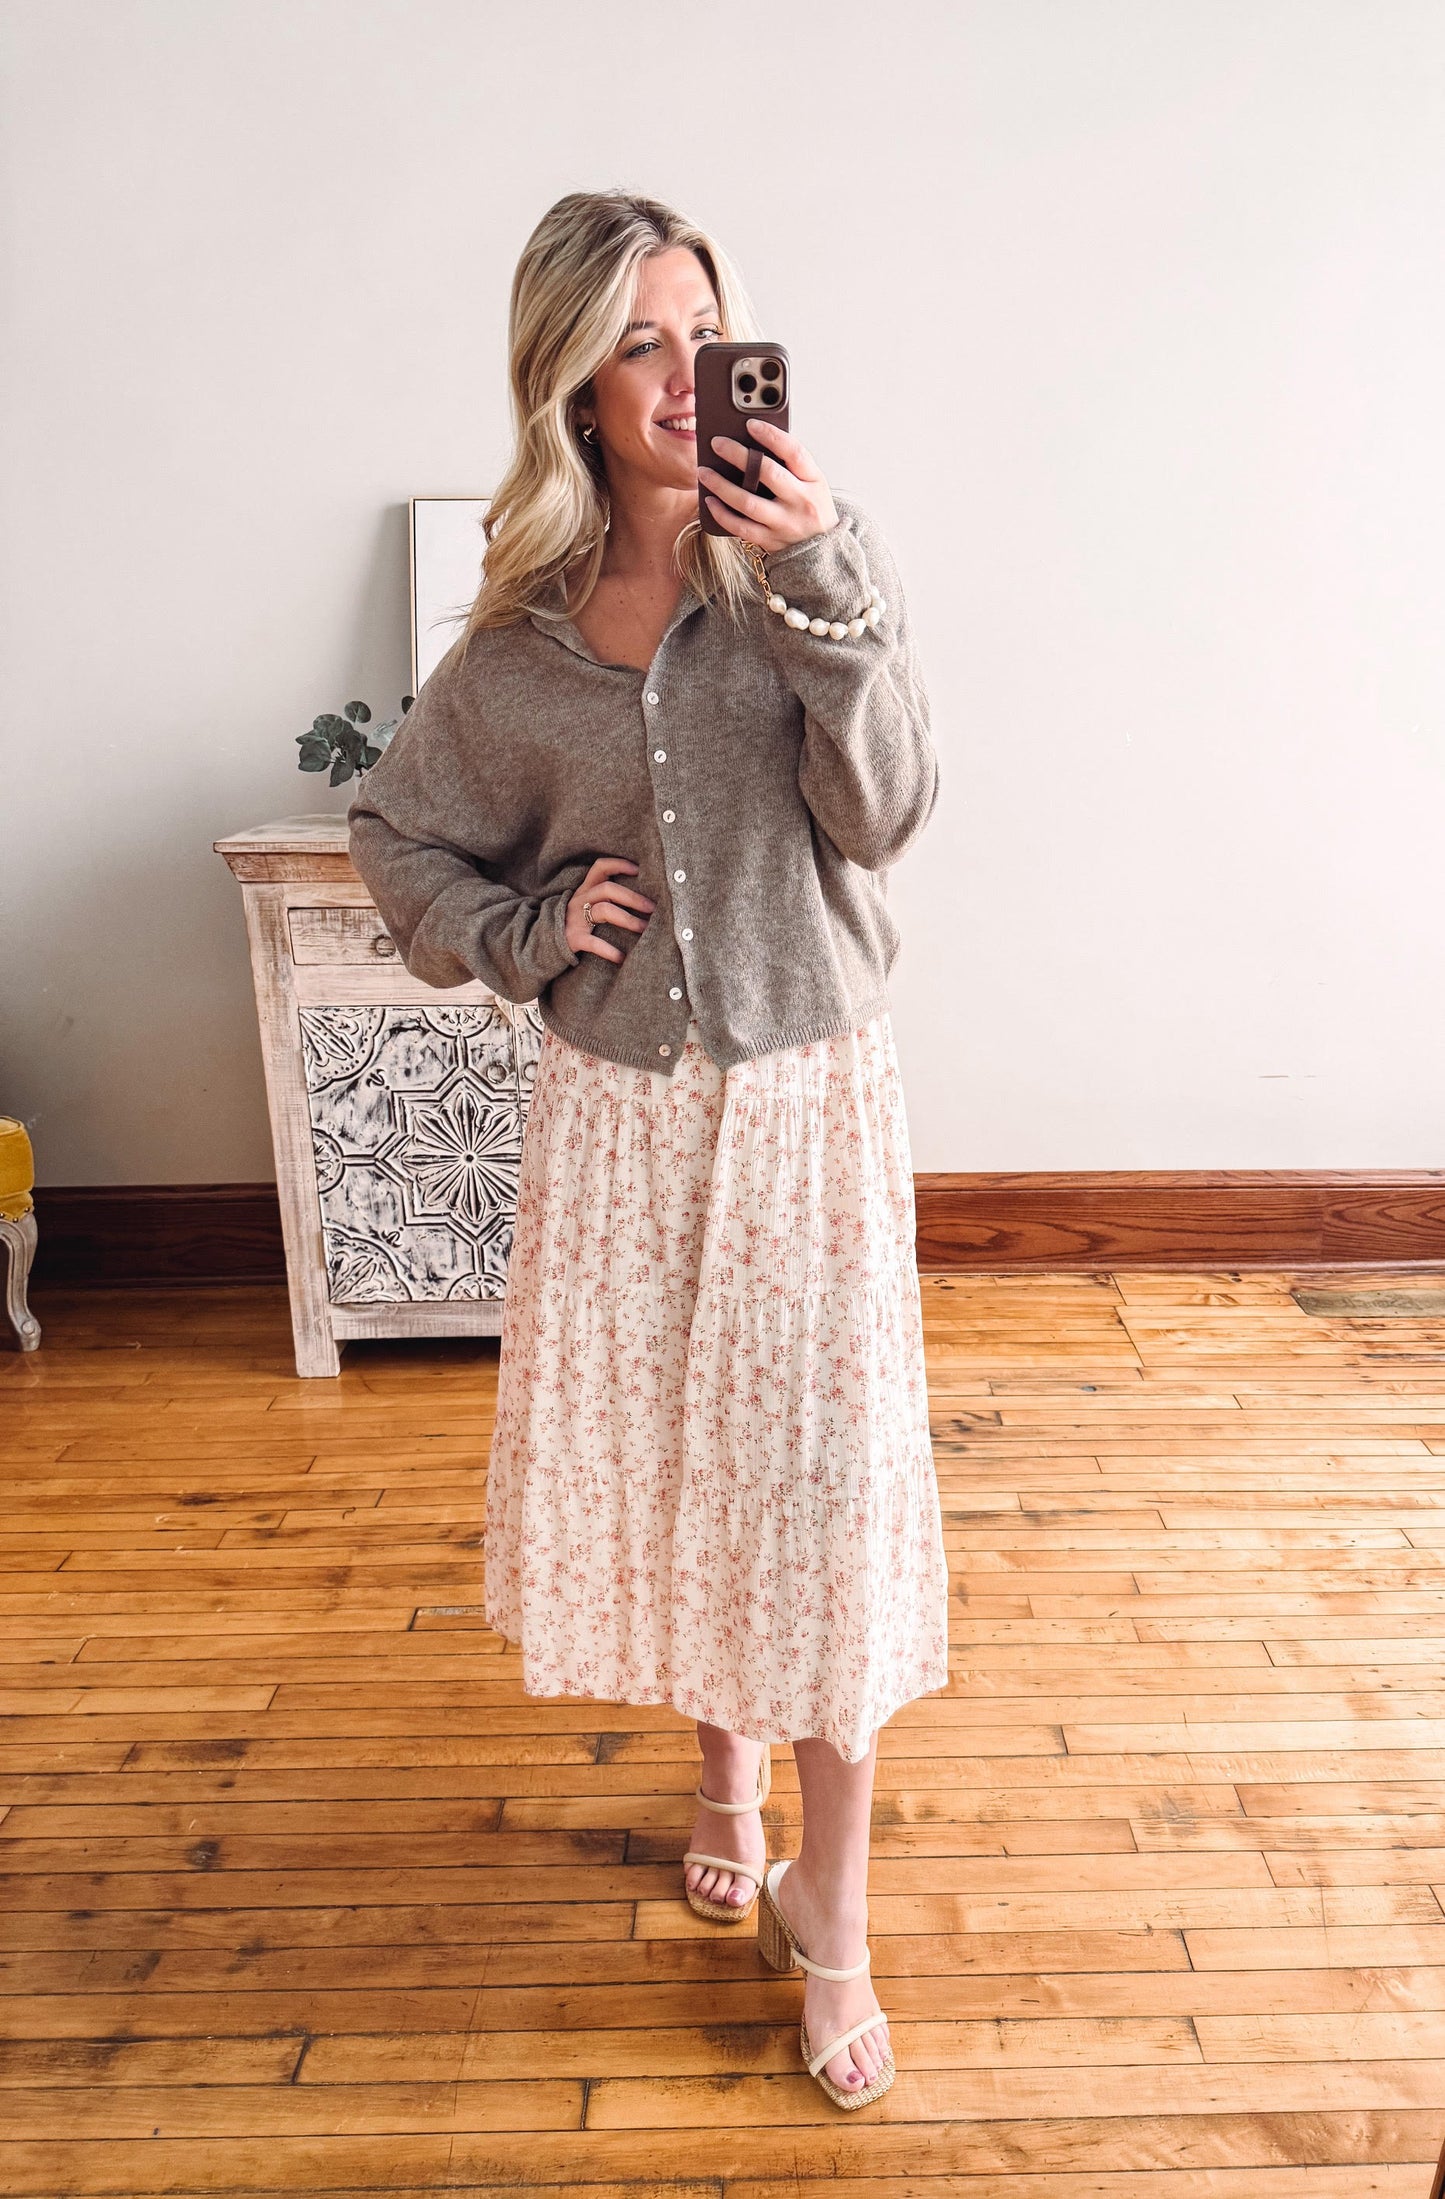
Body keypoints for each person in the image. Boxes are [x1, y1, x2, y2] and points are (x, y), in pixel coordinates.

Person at [348, 189, 949, 2109]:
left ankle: (832, 1913)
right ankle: (719, 1776)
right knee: (691, 1463)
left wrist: (821, 577)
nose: (685, 377)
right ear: (573, 389)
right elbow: (396, 836)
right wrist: (529, 931)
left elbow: (890, 812)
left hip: (806, 1105)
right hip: (622, 1116)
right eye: (639, 343)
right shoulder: (518, 650)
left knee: (823, 1505)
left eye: (704, 332)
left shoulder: (810, 568)